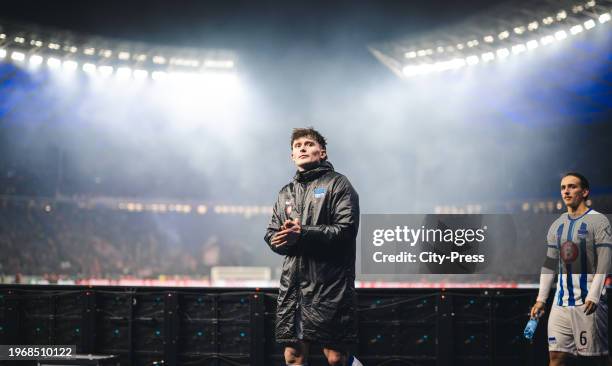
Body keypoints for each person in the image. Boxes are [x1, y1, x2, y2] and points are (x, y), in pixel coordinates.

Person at [265, 127, 363, 366]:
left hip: (330, 286)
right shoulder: (284, 193)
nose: (302, 148)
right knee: (293, 356)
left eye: (309, 144)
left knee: (335, 358)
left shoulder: (338, 184)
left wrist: (302, 234)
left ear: (322, 153)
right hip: (293, 288)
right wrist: (277, 240)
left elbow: (346, 230)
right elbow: (271, 232)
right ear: (292, 156)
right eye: (297, 146)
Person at [530, 172, 611, 365]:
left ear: (585, 192)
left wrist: (594, 294)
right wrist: (541, 299)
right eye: (563, 187)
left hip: (588, 303)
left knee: (597, 360)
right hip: (561, 304)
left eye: (572, 186)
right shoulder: (556, 225)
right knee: (556, 358)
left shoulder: (599, 221)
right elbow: (549, 264)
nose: (566, 191)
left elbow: (605, 260)